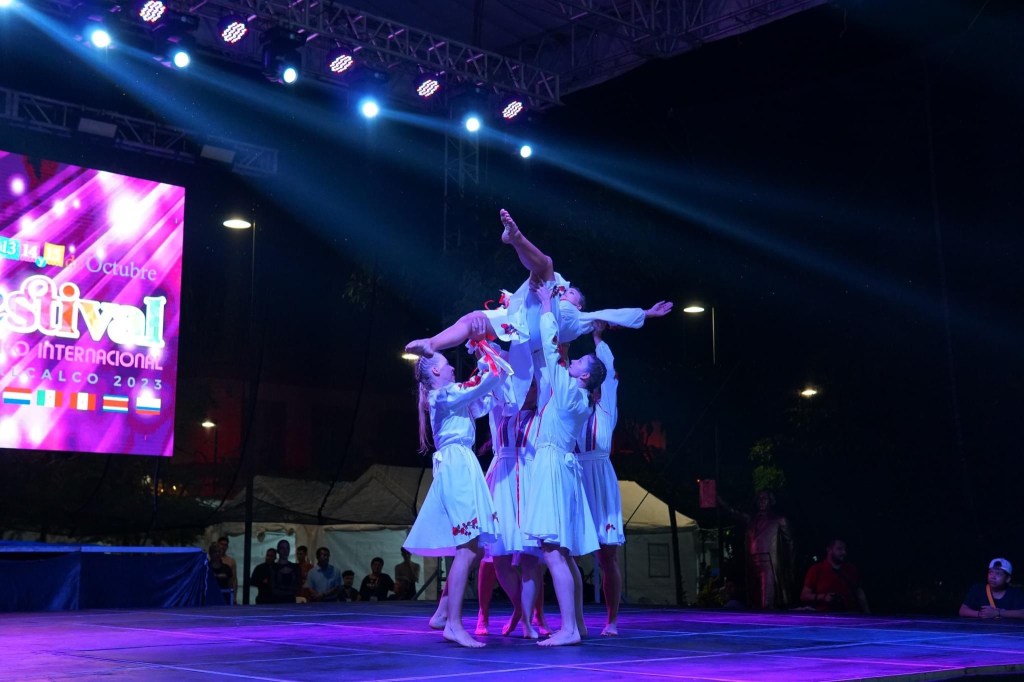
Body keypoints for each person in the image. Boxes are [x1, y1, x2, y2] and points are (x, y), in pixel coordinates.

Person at [403, 209, 672, 410]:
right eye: (566, 290)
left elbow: (612, 314)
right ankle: (431, 342)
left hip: (540, 329)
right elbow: (537, 283)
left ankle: (516, 237)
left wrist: (646, 313)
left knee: (546, 266)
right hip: (522, 319)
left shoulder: (578, 318)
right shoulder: (551, 292)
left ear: (579, 304)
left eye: (572, 293)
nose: (567, 292)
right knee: (474, 319)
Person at [518, 280, 603, 647]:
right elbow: (553, 360)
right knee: (563, 554)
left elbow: (553, 352)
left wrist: (546, 308)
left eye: (580, 362)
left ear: (583, 376)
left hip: (553, 467)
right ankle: (577, 624)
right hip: (563, 468)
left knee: (552, 551)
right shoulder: (580, 399)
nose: (574, 361)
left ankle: (568, 629)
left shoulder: (570, 392)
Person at [404, 345, 506, 648]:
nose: (451, 368)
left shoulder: (451, 397)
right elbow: (483, 383)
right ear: (436, 371)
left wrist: (489, 367)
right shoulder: (444, 395)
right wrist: (486, 353)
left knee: (474, 548)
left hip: (463, 463)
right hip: (457, 466)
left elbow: (483, 400)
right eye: (447, 364)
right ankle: (454, 624)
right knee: (467, 548)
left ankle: (443, 613)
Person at [576, 320, 625, 635]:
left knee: (607, 555)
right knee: (564, 551)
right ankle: (573, 620)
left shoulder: (605, 403)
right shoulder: (572, 400)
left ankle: (612, 619)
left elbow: (607, 367)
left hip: (601, 477)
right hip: (577, 475)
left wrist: (597, 338)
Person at [720, 490, 793, 609]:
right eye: (759, 498)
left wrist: (787, 565)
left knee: (766, 601)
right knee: (755, 600)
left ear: (770, 501)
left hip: (768, 562)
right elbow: (732, 511)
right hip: (753, 562)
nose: (761, 501)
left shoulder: (779, 520)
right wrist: (717, 498)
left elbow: (790, 543)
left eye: (765, 498)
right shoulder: (751, 520)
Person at [800, 539, 870, 613]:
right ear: (829, 550)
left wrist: (867, 613)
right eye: (839, 549)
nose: (844, 552)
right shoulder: (816, 569)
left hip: (850, 614)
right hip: (825, 615)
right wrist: (823, 597)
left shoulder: (851, 569)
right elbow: (804, 596)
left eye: (844, 549)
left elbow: (859, 592)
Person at [959, 558, 1024, 619]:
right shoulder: (978, 589)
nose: (993, 577)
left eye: (998, 574)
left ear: (1008, 579)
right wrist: (981, 614)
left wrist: (998, 613)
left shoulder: (1016, 593)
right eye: (990, 572)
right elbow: (962, 610)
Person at [270, 539, 301, 604]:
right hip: (276, 602)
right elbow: (273, 589)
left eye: (287, 548)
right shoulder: (273, 567)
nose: (285, 551)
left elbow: (298, 586)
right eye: (282, 548)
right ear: (278, 550)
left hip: (291, 601)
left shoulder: (295, 567)